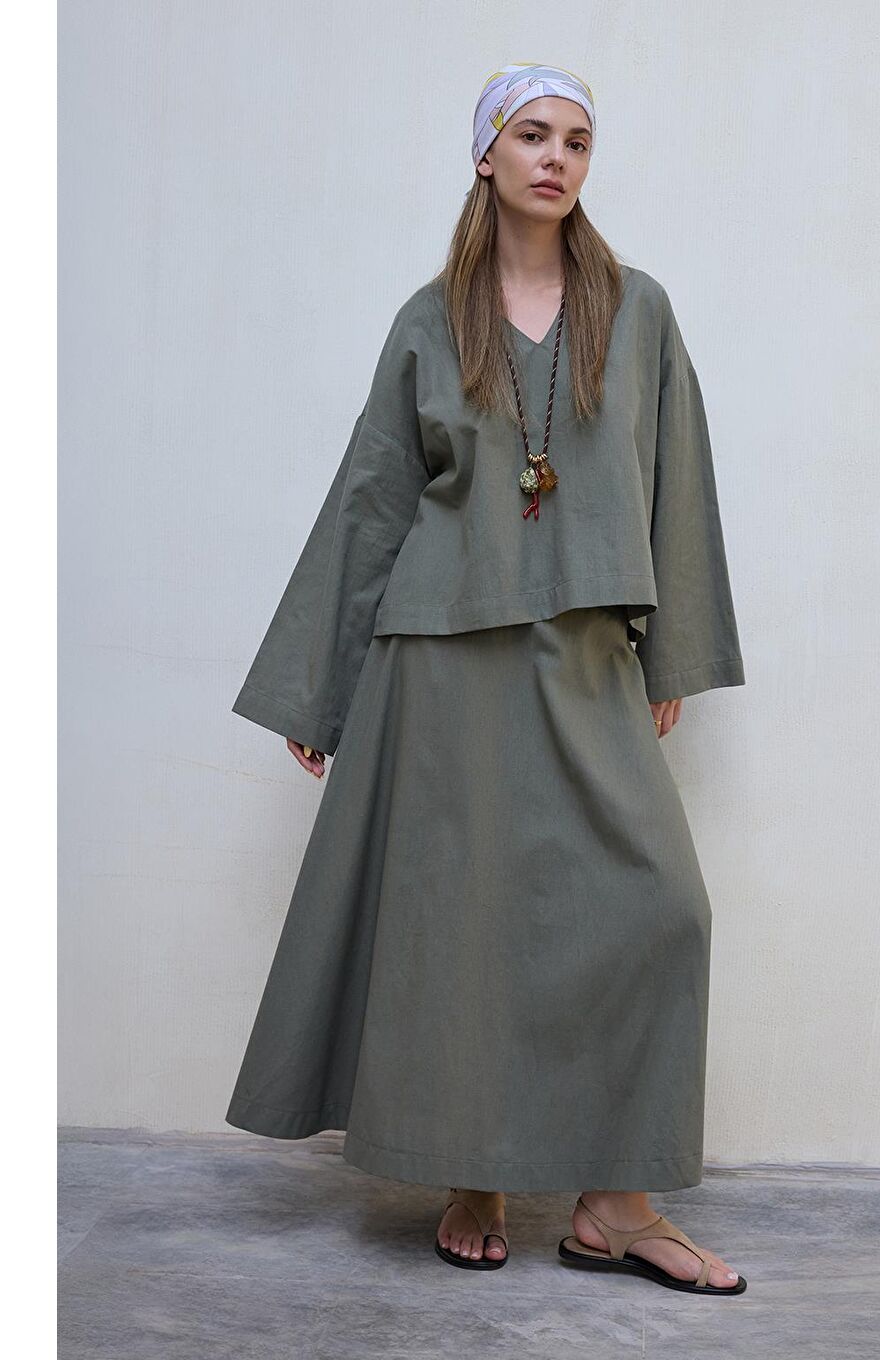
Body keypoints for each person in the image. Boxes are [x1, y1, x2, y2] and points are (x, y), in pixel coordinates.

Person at [225, 62, 748, 1297]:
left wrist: (669, 648)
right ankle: (474, 1173)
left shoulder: (638, 310)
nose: (556, 158)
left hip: (585, 648)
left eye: (576, 141)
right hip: (442, 660)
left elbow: (675, 472)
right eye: (532, 136)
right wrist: (321, 688)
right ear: (487, 156)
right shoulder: (430, 319)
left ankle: (614, 1205)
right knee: (463, 925)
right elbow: (373, 498)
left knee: (664, 906)